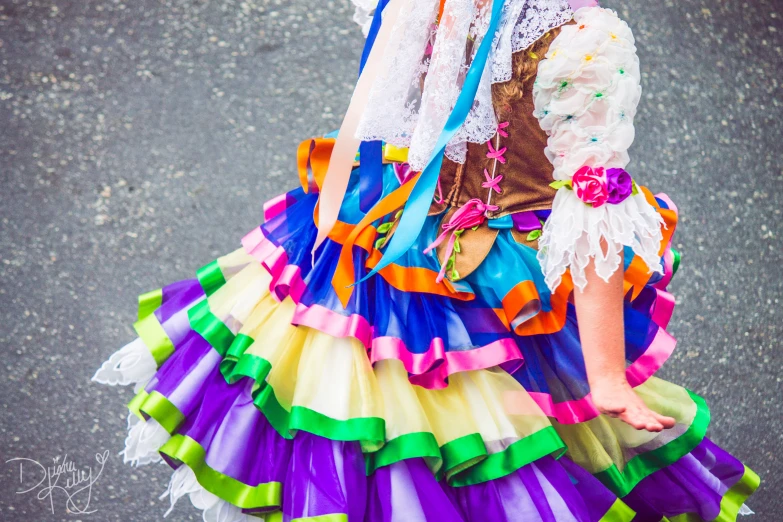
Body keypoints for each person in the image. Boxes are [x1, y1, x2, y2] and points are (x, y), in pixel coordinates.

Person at [94, 1, 759, 520]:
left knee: (477, 455)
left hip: (490, 280)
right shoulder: (424, 5)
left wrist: (606, 374)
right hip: (380, 240)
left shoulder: (585, 41)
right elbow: (389, 109)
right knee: (366, 442)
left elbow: (591, 205)